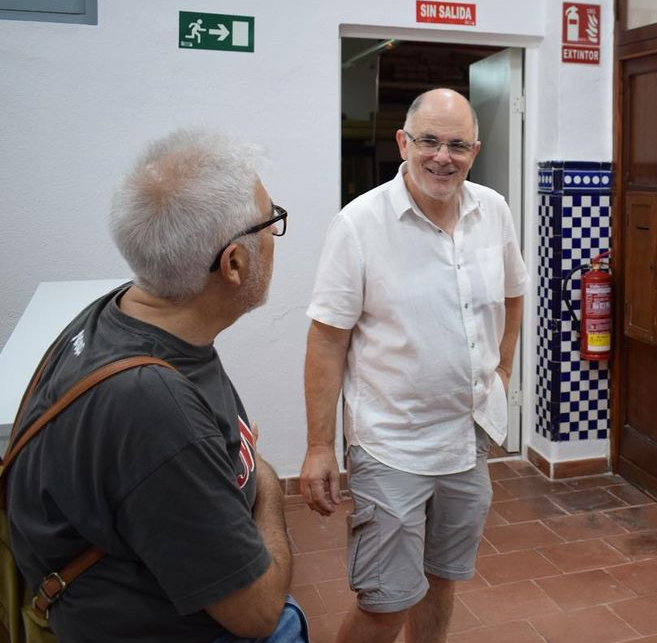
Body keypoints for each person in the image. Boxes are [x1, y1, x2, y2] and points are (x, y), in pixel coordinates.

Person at [5, 129, 306, 643]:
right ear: (233, 263)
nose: (277, 236)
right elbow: (255, 612)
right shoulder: (154, 407)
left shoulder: (112, 312)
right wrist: (268, 483)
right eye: (272, 220)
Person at [299, 88, 527, 643]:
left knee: (443, 579)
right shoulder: (359, 225)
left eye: (456, 144)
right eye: (428, 141)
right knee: (386, 602)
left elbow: (514, 295)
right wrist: (320, 445)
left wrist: (500, 374)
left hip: (466, 437)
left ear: (475, 150)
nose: (441, 156)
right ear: (403, 142)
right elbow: (326, 340)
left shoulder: (492, 210)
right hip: (390, 443)